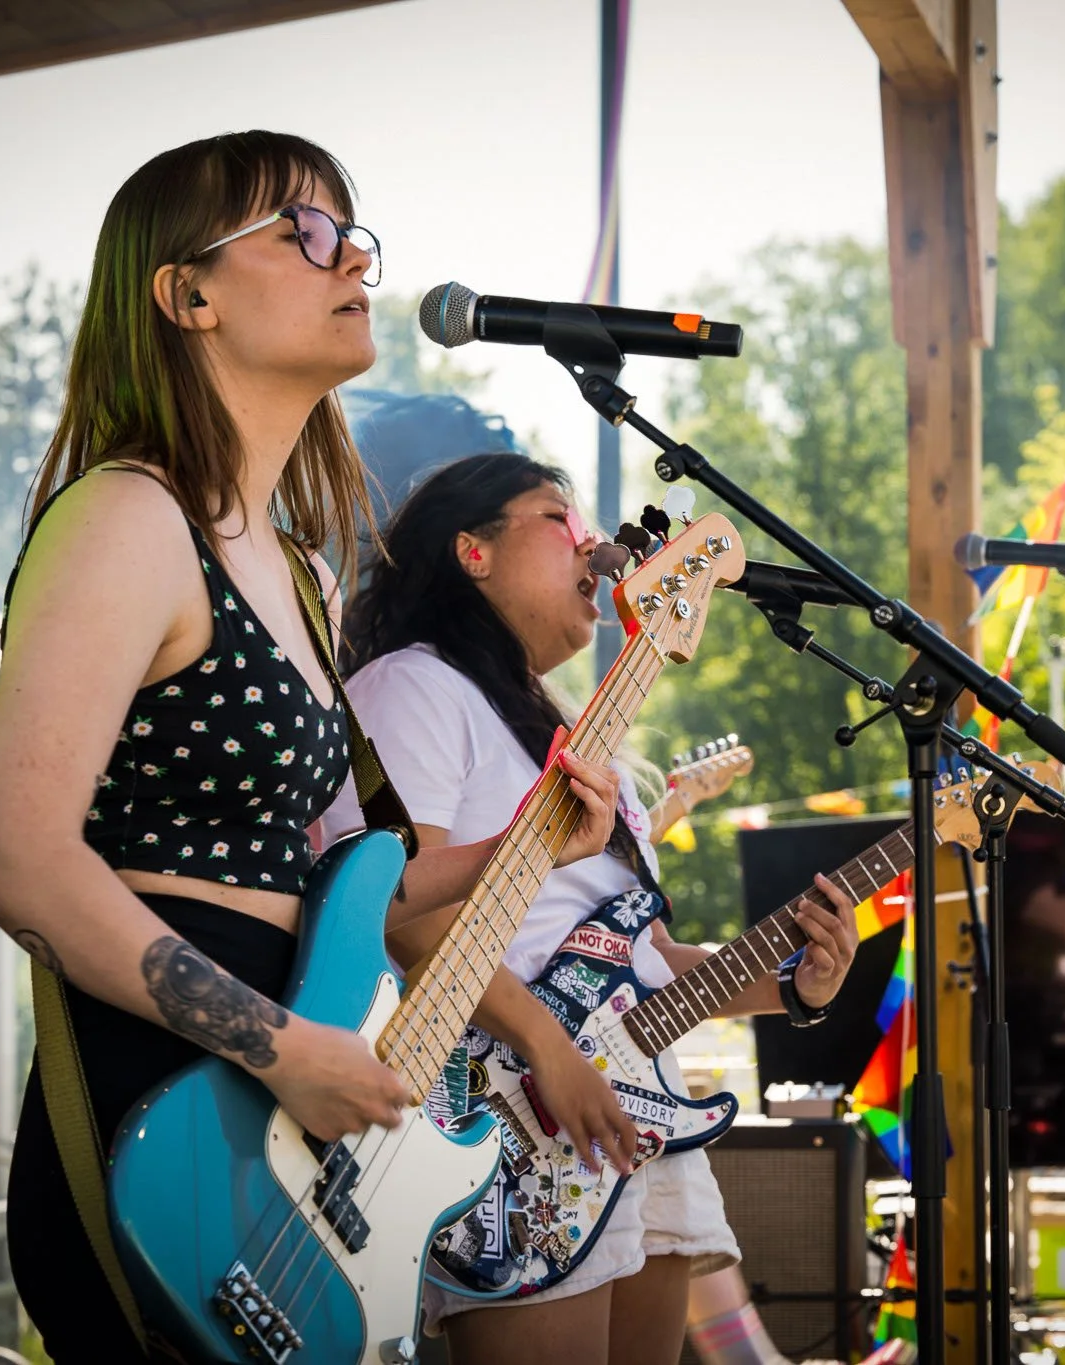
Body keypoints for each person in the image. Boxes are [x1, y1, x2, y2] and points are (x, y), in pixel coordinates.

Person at [0, 132, 623, 1364]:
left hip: (285, 1092)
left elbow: (345, 882)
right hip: (164, 1099)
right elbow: (14, 858)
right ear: (187, 294)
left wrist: (518, 851)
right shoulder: (124, 516)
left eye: (351, 233)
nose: (351, 258)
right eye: (301, 232)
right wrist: (277, 1046)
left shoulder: (304, 574)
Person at [320, 453, 862, 1365]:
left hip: (622, 1106)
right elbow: (393, 909)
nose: (598, 545)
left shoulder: (572, 730)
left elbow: (642, 964)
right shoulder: (414, 686)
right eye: (558, 518)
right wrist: (548, 1046)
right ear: (472, 551)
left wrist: (792, 988)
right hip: (503, 1108)